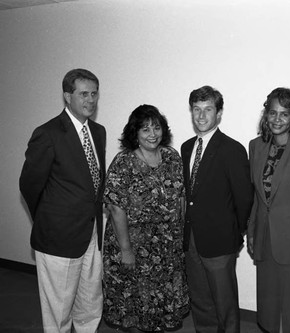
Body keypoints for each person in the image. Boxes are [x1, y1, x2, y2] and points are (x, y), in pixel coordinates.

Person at [19, 68, 105, 332]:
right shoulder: (48, 133)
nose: (90, 100)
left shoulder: (99, 132)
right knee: (58, 310)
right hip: (57, 237)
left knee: (90, 305)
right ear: (67, 96)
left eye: (94, 94)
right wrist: (49, 220)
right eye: (83, 94)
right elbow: (29, 185)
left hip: (92, 234)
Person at [102, 105, 189, 332]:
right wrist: (126, 249)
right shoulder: (123, 163)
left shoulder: (172, 157)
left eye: (156, 128)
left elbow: (181, 197)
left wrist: (181, 237)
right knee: (135, 304)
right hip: (132, 245)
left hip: (165, 247)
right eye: (145, 129)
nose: (153, 134)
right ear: (135, 134)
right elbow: (115, 208)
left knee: (159, 304)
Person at [181, 85, 253, 333]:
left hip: (220, 241)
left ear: (219, 113)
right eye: (196, 110)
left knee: (225, 304)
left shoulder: (232, 149)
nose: (201, 116)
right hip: (191, 240)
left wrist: (237, 233)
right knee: (200, 300)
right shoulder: (186, 147)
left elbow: (244, 199)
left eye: (208, 110)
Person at [247, 88, 290, 333]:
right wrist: (252, 232)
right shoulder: (256, 146)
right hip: (264, 236)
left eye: (284, 114)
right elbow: (256, 197)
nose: (277, 119)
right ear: (266, 114)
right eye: (272, 112)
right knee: (267, 301)